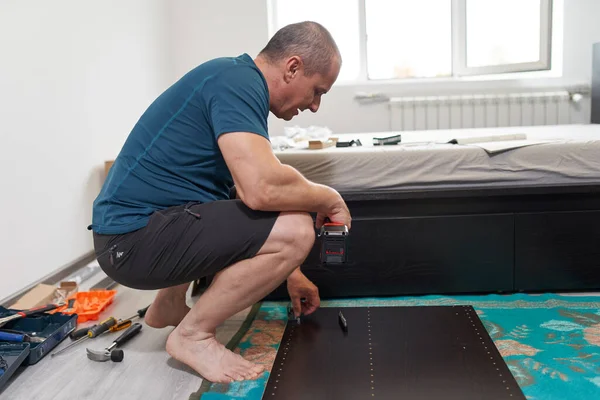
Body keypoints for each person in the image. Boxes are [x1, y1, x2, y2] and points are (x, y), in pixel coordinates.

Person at [88, 21, 351, 383]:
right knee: (296, 229)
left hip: (129, 236)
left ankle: (167, 306)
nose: (316, 106)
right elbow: (261, 190)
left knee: (226, 200)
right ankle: (193, 336)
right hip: (131, 241)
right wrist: (329, 197)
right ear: (292, 67)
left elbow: (236, 202)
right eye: (317, 90)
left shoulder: (234, 79)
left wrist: (290, 272)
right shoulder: (238, 84)